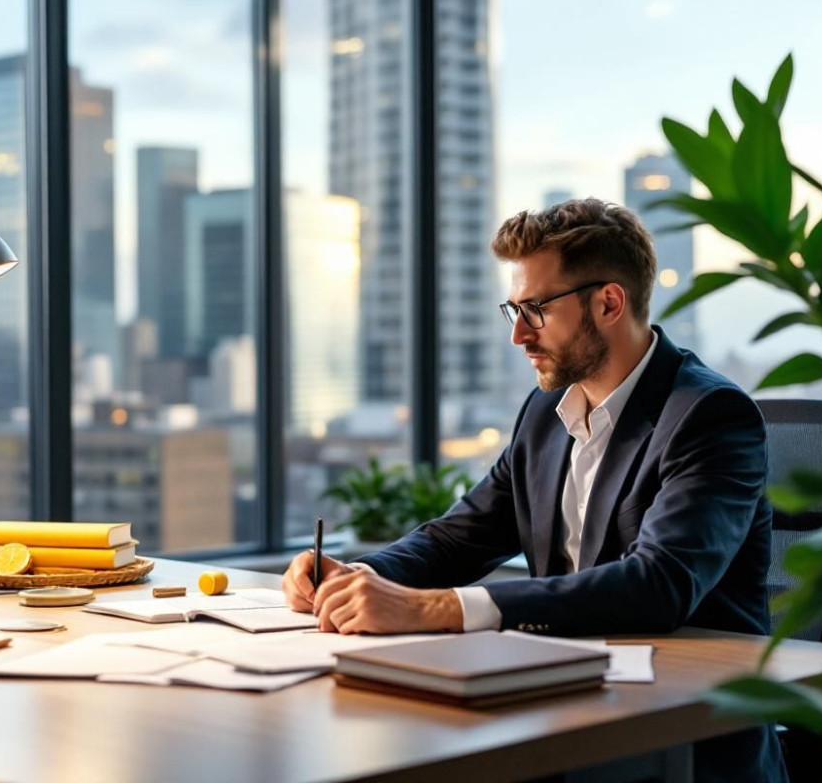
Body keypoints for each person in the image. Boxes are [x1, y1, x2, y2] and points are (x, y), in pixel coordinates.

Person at [282, 198, 786, 782]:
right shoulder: (546, 413)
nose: (519, 334)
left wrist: (438, 609)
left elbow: (659, 584)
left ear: (609, 303)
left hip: (684, 736)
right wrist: (358, 577)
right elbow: (460, 537)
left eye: (536, 310)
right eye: (514, 310)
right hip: (564, 711)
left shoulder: (709, 415)